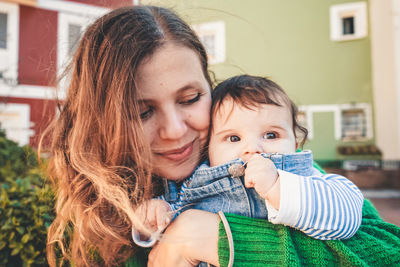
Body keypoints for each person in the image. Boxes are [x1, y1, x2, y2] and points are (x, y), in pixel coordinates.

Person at [43, 4, 400, 267]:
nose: (176, 131)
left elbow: (387, 250)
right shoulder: (96, 213)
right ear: (105, 121)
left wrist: (209, 238)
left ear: (209, 87)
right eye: (142, 112)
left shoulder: (271, 162)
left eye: (190, 98)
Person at [134, 75, 363, 248]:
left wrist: (278, 188)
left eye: (271, 135)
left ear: (295, 144)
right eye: (233, 138)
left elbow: (348, 218)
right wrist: (154, 215)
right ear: (209, 150)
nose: (252, 148)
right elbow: (166, 243)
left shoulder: (305, 177)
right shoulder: (194, 183)